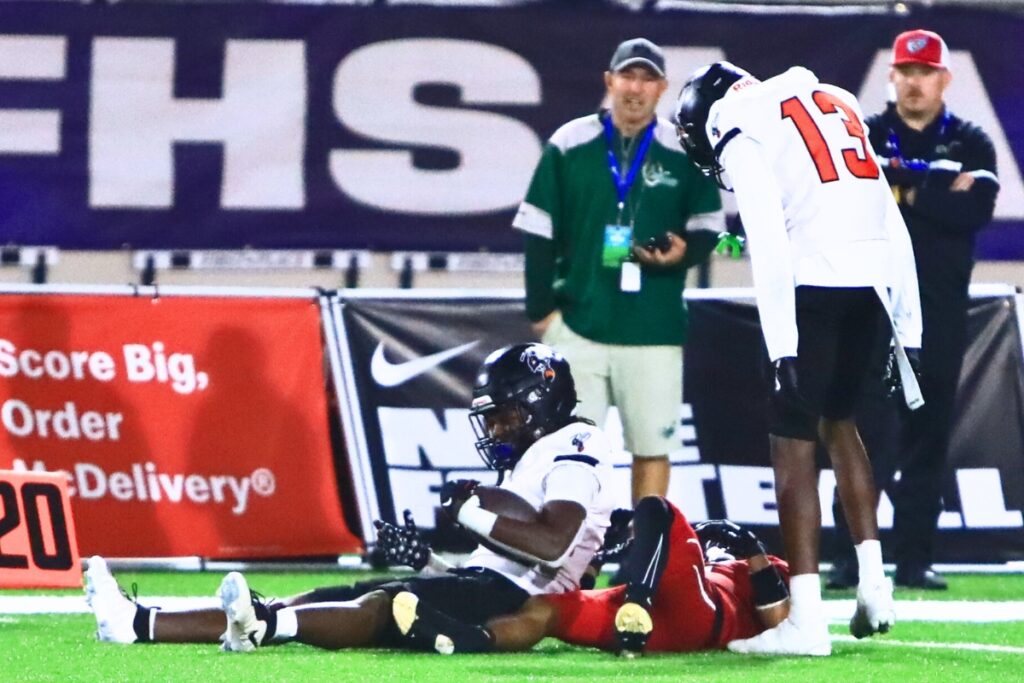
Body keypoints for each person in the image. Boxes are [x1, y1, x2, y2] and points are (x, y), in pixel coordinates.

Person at [85, 342, 615, 651]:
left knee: (383, 607)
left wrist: (473, 513)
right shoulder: (536, 454)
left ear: (538, 403)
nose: (495, 428)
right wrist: (432, 562)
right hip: (489, 585)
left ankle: (264, 628)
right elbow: (497, 567)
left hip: (514, 602)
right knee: (318, 598)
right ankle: (138, 624)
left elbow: (549, 547)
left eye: (503, 414)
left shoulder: (576, 443)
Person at [674, 61, 925, 655]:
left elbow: (766, 237)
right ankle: (873, 583)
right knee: (842, 424)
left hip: (811, 284)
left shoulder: (740, 120)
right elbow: (891, 216)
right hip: (872, 284)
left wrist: (782, 344)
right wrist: (906, 325)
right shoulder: (833, 99)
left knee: (792, 442)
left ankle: (806, 622)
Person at [513, 37, 725, 504]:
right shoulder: (570, 143)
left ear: (663, 88)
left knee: (652, 449)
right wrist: (542, 314)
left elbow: (711, 228)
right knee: (567, 451)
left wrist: (683, 253)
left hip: (654, 326)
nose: (636, 87)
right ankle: (572, 560)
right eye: (628, 75)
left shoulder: (684, 148)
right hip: (579, 324)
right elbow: (537, 232)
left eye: (647, 78)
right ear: (609, 81)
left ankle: (641, 559)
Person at [828, 29, 1000, 591]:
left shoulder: (973, 141)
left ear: (944, 79)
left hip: (940, 309)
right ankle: (852, 557)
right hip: (873, 306)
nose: (915, 81)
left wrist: (902, 186)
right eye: (906, 71)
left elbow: (972, 213)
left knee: (928, 434)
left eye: (925, 72)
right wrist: (936, 186)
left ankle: (913, 559)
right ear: (892, 76)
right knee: (862, 432)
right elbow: (854, 207)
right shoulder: (865, 133)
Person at [387, 498, 792, 656]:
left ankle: (637, 604)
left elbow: (779, 623)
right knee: (547, 608)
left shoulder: (768, 566)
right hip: (643, 613)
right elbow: (580, 585)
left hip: (702, 612)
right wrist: (601, 552)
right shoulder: (662, 555)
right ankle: (465, 639)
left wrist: (752, 551)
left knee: (656, 507)